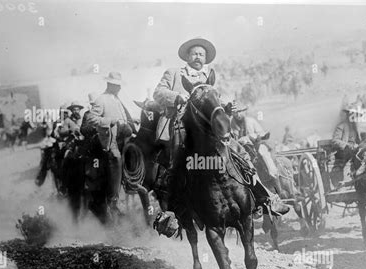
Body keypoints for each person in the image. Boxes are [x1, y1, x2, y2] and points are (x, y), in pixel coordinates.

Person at [152, 37, 289, 226]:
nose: (198, 57)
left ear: (206, 58)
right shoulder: (174, 73)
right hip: (181, 124)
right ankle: (171, 215)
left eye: (202, 54)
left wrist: (227, 106)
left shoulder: (210, 78)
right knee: (177, 162)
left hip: (209, 128)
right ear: (187, 56)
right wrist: (176, 97)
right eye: (195, 53)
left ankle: (264, 197)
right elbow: (158, 93)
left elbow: (218, 102)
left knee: (240, 152)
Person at [84, 71, 134, 222]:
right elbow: (92, 119)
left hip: (123, 137)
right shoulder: (101, 99)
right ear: (109, 84)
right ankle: (114, 199)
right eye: (115, 85)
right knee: (115, 157)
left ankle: (133, 185)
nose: (118, 88)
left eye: (118, 85)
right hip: (109, 140)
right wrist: (109, 121)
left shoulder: (117, 99)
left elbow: (125, 117)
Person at [331, 106, 365, 186]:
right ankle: (343, 183)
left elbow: (361, 140)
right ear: (348, 115)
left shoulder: (357, 128)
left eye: (356, 115)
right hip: (343, 152)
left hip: (356, 151)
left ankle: (362, 181)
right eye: (353, 115)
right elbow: (335, 141)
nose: (354, 117)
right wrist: (347, 145)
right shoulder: (341, 126)